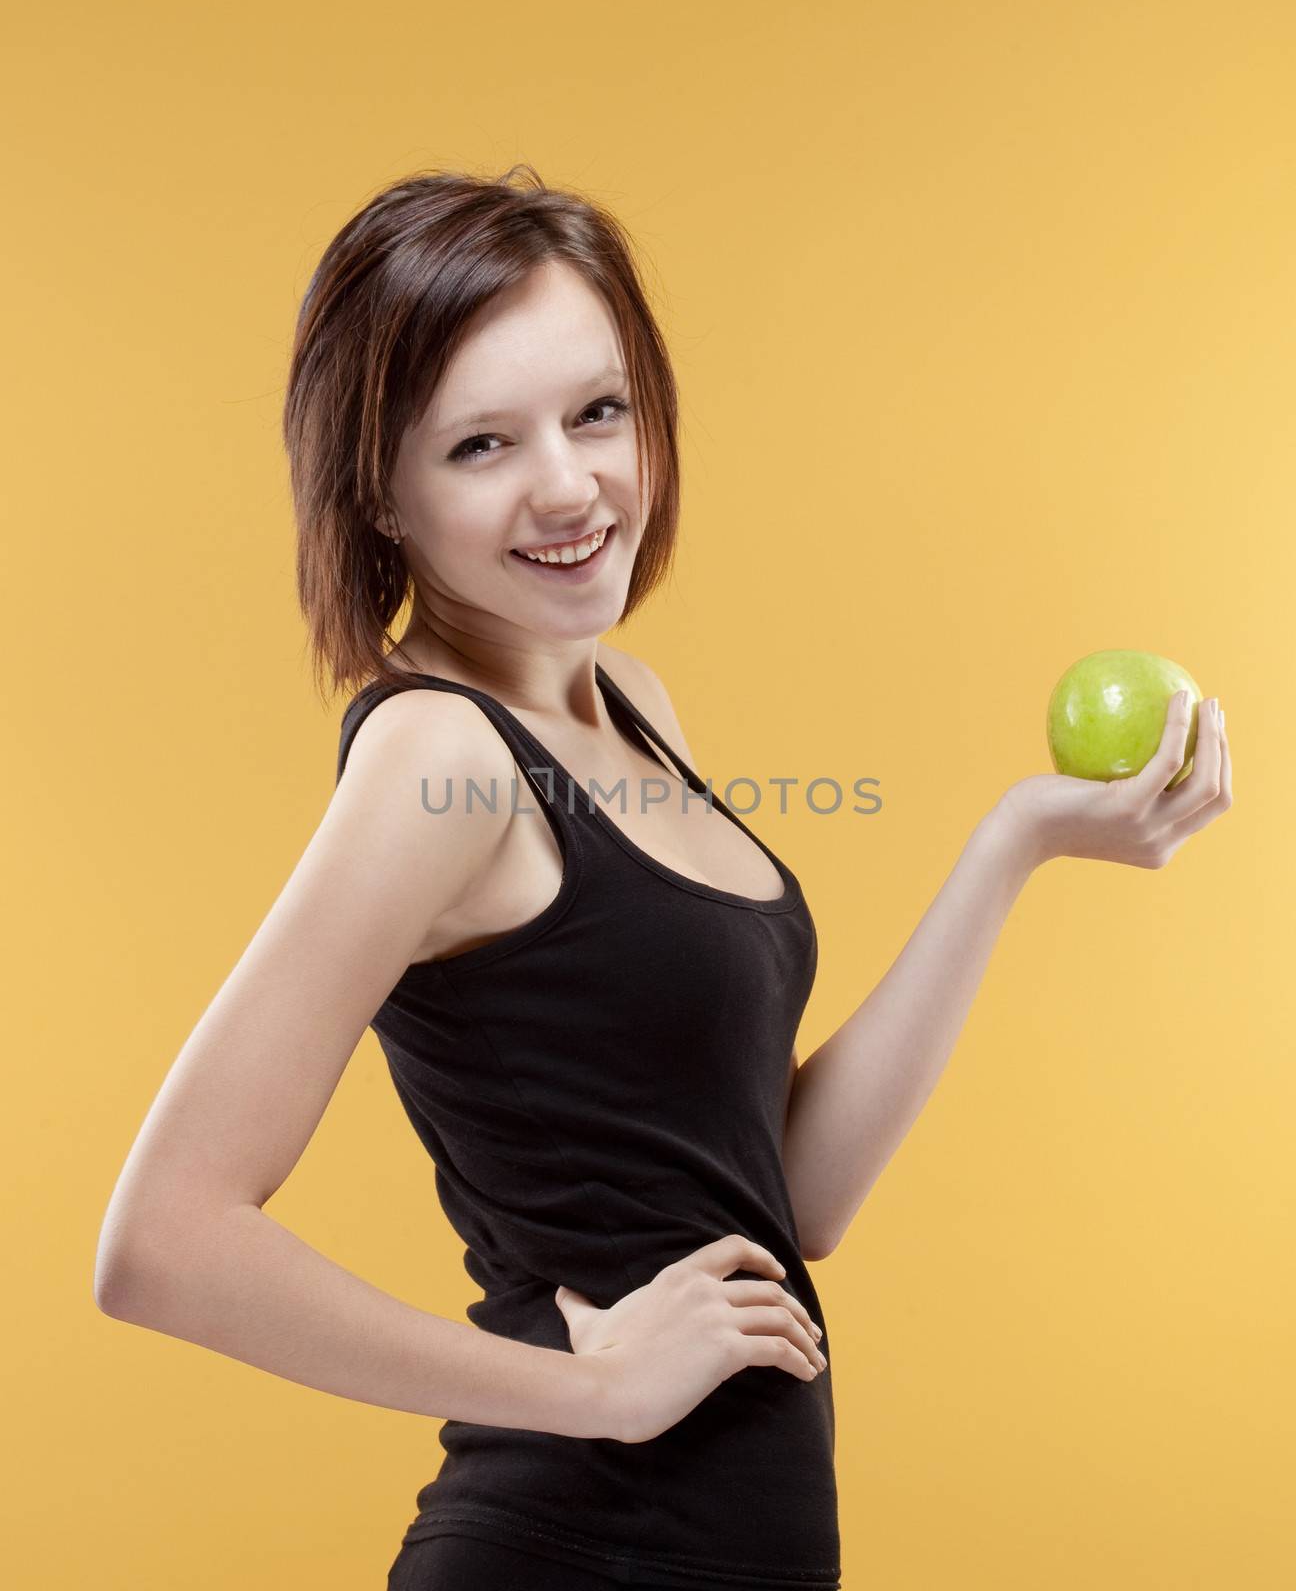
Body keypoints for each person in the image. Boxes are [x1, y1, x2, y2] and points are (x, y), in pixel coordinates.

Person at [94, 165, 1233, 1591]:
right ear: (379, 494)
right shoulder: (441, 757)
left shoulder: (625, 701)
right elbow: (161, 1243)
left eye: (598, 411)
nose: (569, 486)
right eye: (480, 447)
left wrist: (1015, 845)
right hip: (578, 1547)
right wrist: (595, 1391)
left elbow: (785, 1203)